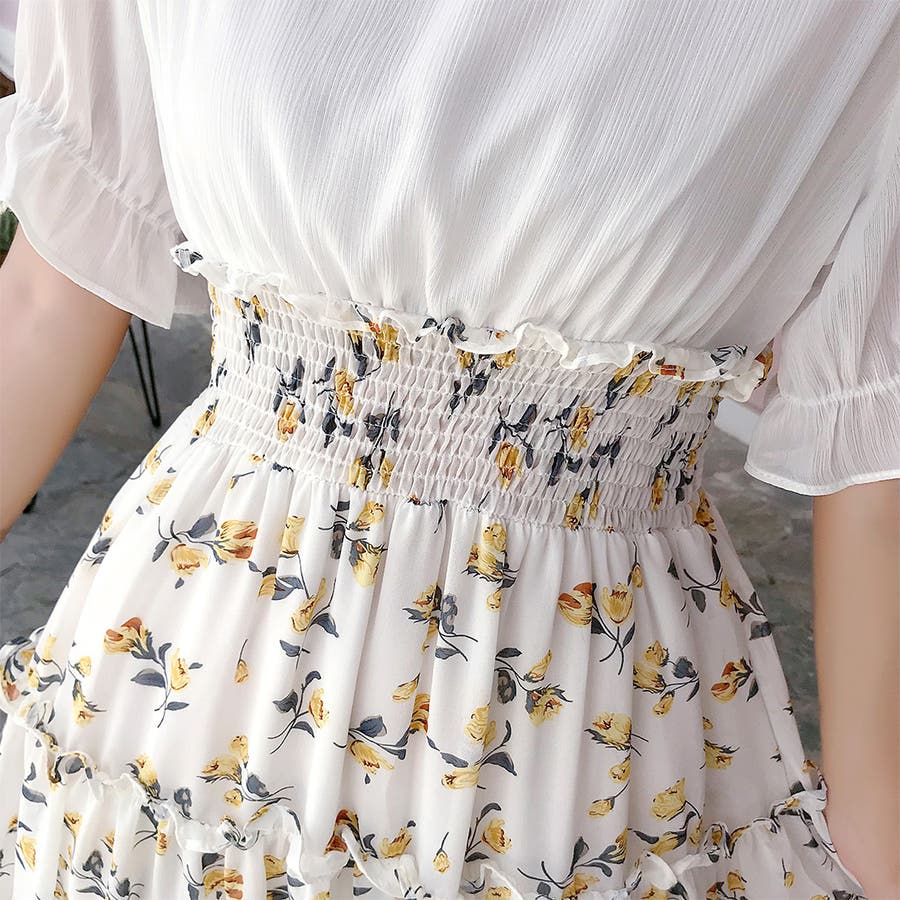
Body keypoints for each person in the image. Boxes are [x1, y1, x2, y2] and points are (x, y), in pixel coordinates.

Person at [0, 2, 898, 898]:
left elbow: (877, 471)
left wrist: (873, 846)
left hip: (579, 741)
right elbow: (45, 298)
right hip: (187, 700)